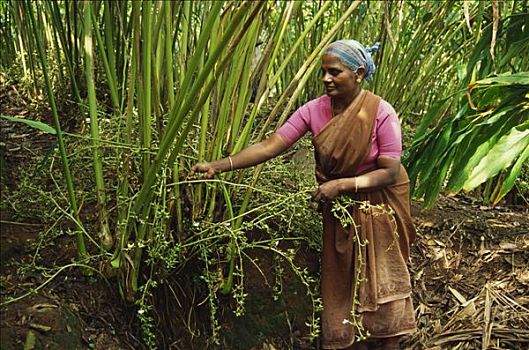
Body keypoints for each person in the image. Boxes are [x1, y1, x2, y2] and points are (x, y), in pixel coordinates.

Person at [190, 39, 417, 350]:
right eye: (323, 72)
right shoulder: (314, 110)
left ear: (359, 73)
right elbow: (272, 145)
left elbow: (389, 171)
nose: (326, 79)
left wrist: (342, 185)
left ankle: (386, 340)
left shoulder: (380, 112)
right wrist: (218, 166)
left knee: (380, 268)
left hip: (380, 201)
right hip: (339, 205)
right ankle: (347, 338)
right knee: (341, 272)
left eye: (334, 72)